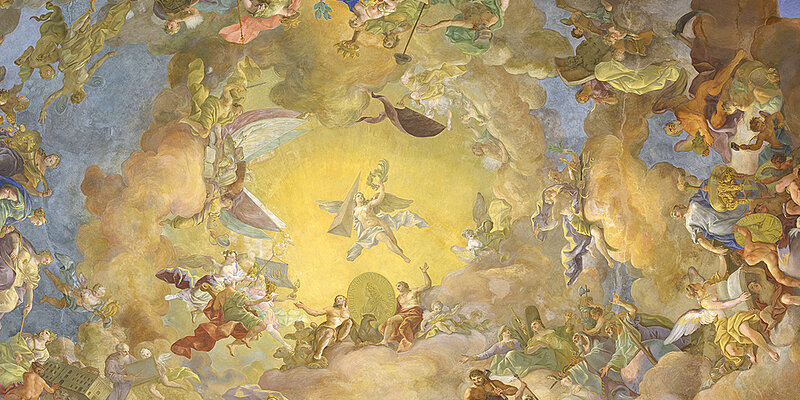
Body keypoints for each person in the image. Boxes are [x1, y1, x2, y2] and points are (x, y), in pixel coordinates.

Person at [39, 0, 133, 123]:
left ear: (81, 93)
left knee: (104, 30)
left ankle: (115, 8)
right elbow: (53, 97)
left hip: (80, 56)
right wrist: (43, 109)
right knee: (75, 33)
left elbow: (96, 65)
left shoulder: (82, 82)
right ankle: (89, 15)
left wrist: (107, 55)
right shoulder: (69, 88)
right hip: (74, 58)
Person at [663, 49, 748, 159]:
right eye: (671, 130)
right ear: (676, 133)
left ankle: (736, 61)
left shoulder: (679, 113)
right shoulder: (692, 132)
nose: (672, 126)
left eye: (669, 125)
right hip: (711, 110)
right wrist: (706, 148)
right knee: (717, 122)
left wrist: (707, 134)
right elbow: (704, 135)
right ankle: (727, 88)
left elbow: (699, 117)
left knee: (715, 87)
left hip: (704, 95)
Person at [0, 229, 52, 331]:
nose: (45, 261)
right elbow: (15, 235)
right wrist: (15, 248)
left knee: (10, 304)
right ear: (44, 253)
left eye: (47, 263)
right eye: (47, 259)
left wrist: (30, 302)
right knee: (6, 275)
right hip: (10, 266)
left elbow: (29, 287)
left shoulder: (35, 272)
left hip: (16, 283)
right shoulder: (28, 249)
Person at [418, 0, 510, 55]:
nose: (484, 27)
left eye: (481, 32)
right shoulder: (493, 18)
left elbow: (449, 22)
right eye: (487, 31)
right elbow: (503, 6)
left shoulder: (469, 24)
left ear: (477, 32)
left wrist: (432, 27)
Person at [378, 263, 431, 352]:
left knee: (396, 322)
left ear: (405, 285)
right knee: (389, 321)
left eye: (399, 285)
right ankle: (385, 341)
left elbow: (427, 285)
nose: (397, 288)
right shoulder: (398, 298)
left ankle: (387, 341)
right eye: (396, 286)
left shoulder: (413, 292)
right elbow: (393, 310)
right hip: (403, 313)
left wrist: (424, 272)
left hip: (414, 313)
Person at [15, 1, 66, 83]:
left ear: (41, 74)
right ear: (52, 68)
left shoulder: (33, 63)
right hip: (55, 35)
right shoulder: (53, 59)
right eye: (51, 71)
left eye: (47, 74)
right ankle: (52, 6)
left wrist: (23, 57)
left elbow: (31, 49)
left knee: (47, 23)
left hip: (45, 34)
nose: (48, 71)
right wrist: (46, 54)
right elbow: (53, 45)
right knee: (58, 19)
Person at [4, 128, 60, 197]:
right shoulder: (41, 152)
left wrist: (41, 194)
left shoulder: (39, 173)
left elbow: (29, 187)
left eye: (50, 161)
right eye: (50, 156)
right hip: (14, 151)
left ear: (50, 166)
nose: (48, 158)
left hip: (13, 168)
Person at [294, 295, 352, 361]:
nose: (338, 300)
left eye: (340, 298)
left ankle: (340, 339)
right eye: (336, 299)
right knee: (330, 331)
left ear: (344, 300)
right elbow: (315, 313)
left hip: (338, 331)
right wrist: (304, 307)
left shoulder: (348, 312)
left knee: (349, 322)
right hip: (327, 328)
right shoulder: (330, 309)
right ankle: (318, 353)